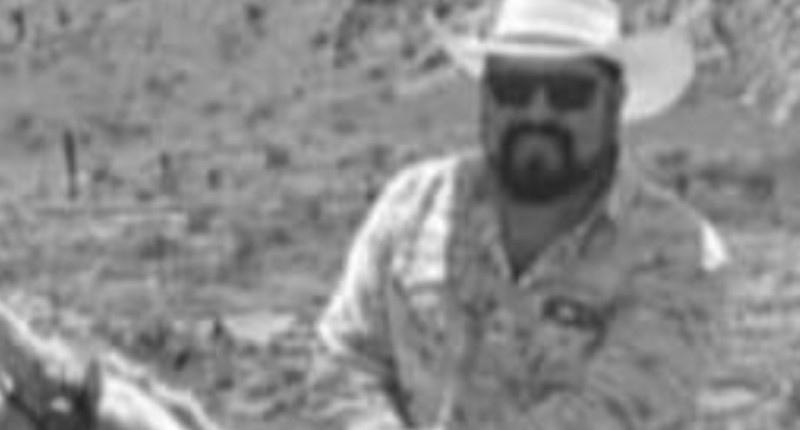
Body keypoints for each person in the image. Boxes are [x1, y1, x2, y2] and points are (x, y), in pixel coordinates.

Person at [314, 0, 734, 429]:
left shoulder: (677, 254)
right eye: (513, 88)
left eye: (568, 92)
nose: (537, 112)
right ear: (485, 97)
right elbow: (346, 360)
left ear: (615, 101)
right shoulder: (411, 207)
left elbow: (613, 415)